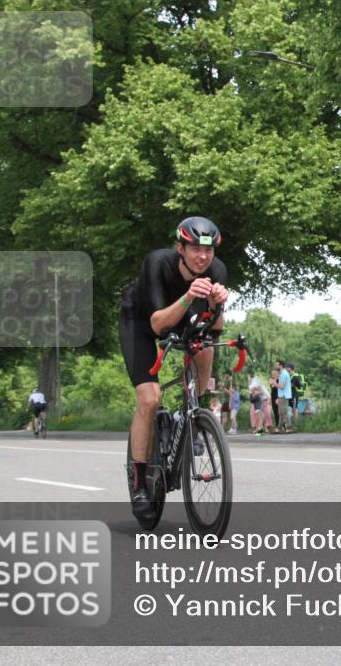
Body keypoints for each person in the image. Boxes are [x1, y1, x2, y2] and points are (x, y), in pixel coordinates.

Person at [118, 216, 229, 518]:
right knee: (150, 398)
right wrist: (190, 296)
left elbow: (215, 329)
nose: (202, 257)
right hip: (140, 322)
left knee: (205, 348)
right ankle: (140, 480)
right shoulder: (157, 263)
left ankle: (194, 414)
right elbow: (156, 324)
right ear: (180, 248)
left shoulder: (217, 272)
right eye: (195, 249)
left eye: (208, 251)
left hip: (179, 316)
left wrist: (218, 305)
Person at [275, 360, 292, 433]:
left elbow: (282, 387)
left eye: (277, 365)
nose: (276, 366)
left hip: (284, 396)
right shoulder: (282, 374)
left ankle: (289, 427)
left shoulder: (284, 374)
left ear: (281, 366)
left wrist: (274, 383)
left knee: (284, 412)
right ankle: (279, 428)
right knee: (280, 412)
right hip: (281, 395)